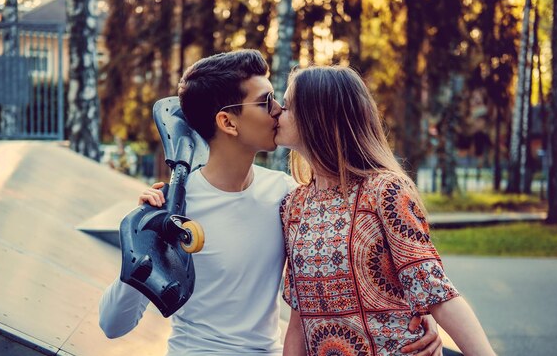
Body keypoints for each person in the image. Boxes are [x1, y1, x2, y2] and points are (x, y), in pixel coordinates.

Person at [98, 50, 442, 356]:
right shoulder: (174, 208)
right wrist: (143, 245)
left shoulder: (287, 195)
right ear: (228, 122)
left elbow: (361, 258)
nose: (279, 110)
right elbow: (113, 325)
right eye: (267, 101)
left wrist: (419, 312)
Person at [275, 66, 497, 356]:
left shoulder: (384, 191)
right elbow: (298, 317)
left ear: (318, 116)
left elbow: (437, 292)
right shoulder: (294, 206)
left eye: (288, 106)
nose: (277, 112)